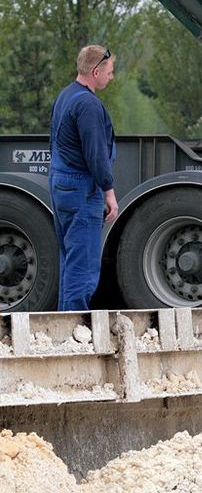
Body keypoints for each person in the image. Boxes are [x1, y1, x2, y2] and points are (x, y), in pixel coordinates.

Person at [49, 45, 119, 311]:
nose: (111, 77)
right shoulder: (88, 104)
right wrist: (109, 191)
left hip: (62, 182)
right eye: (109, 72)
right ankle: (75, 324)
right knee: (84, 264)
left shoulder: (65, 96)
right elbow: (96, 153)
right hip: (81, 188)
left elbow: (53, 143)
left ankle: (64, 328)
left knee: (70, 259)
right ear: (96, 70)